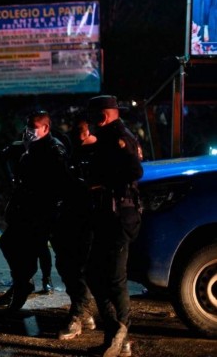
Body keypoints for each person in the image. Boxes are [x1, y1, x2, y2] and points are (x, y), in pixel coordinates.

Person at [85, 95, 143, 357]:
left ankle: (118, 335)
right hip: (109, 215)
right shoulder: (112, 135)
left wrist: (103, 183)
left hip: (119, 215)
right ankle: (117, 336)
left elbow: (134, 171)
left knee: (114, 278)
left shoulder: (118, 137)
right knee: (96, 274)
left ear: (103, 115)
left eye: (94, 116)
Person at [0, 111, 70, 310]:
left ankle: (23, 288)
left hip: (42, 212)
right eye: (27, 127)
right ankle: (20, 284)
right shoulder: (30, 146)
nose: (29, 132)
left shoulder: (54, 149)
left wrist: (28, 153)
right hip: (25, 209)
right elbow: (9, 161)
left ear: (46, 128)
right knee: (9, 243)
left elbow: (53, 183)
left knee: (32, 249)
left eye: (34, 128)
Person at [51, 115, 97, 340]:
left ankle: (79, 314)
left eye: (82, 129)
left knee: (82, 266)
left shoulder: (101, 149)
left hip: (92, 216)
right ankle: (82, 309)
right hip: (69, 214)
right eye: (76, 129)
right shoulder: (69, 150)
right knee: (65, 263)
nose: (79, 134)